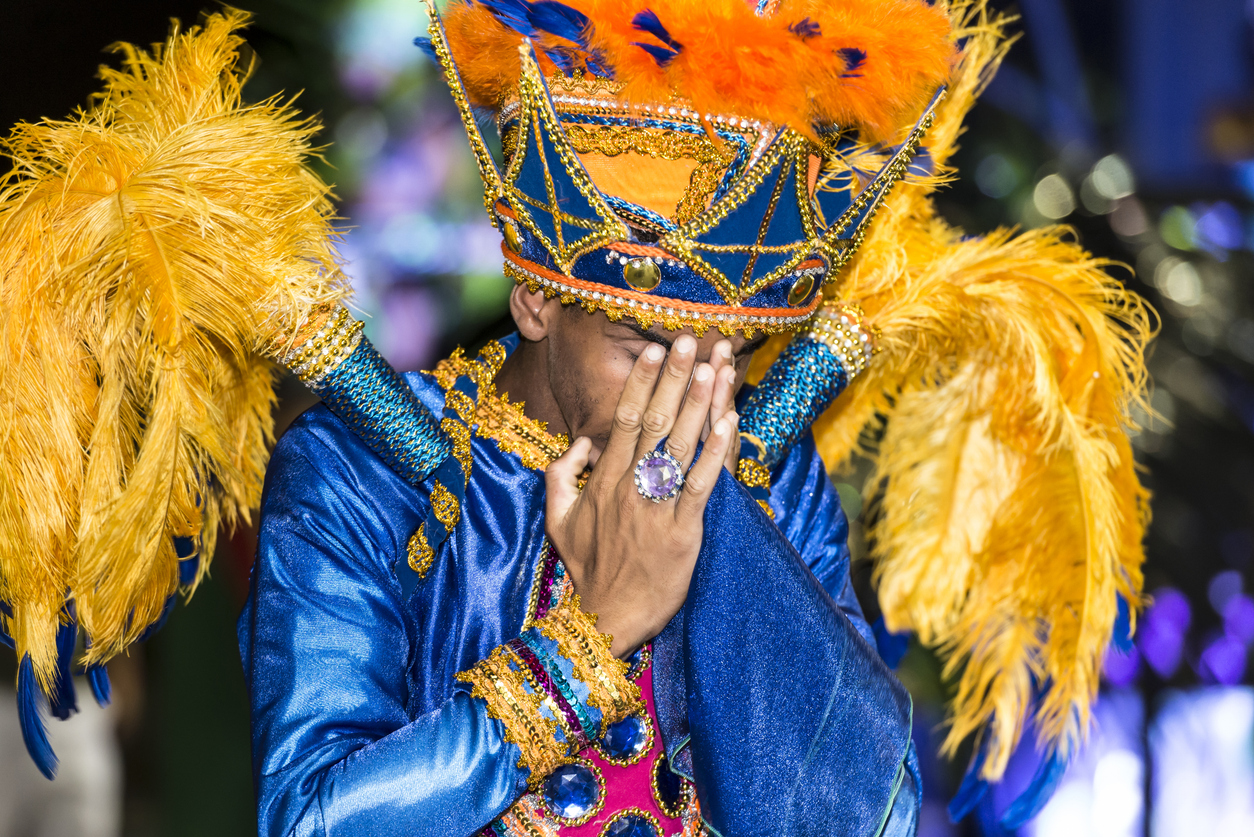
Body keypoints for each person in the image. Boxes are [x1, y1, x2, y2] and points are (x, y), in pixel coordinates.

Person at [1, 2, 1153, 836]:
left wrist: (718, 534)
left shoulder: (760, 459)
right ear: (539, 296)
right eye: (647, 342)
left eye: (728, 353)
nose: (694, 391)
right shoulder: (364, 469)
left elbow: (860, 808)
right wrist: (588, 640)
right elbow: (316, 822)